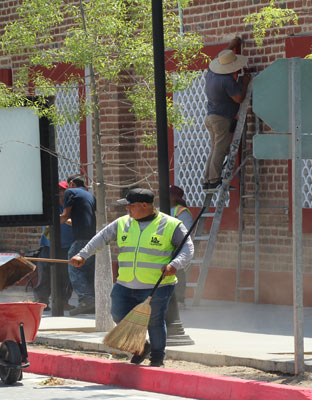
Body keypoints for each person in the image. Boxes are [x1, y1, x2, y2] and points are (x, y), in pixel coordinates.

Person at [69, 188, 194, 367]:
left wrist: (175, 264)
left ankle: (157, 358)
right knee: (118, 314)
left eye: (131, 206)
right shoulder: (122, 223)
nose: (128, 210)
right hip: (125, 284)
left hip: (157, 286)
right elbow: (101, 237)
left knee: (155, 321)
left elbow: (188, 248)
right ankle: (142, 347)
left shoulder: (171, 225)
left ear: (145, 205)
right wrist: (83, 255)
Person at [203, 37, 251, 193]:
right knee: (220, 149)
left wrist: (234, 43)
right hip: (222, 119)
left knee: (214, 148)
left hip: (211, 117)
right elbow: (239, 98)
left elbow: (223, 54)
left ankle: (208, 181)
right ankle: (215, 180)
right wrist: (244, 83)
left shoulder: (212, 72)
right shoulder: (226, 80)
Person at [33, 181, 74, 311]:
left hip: (66, 246)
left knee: (65, 275)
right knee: (45, 274)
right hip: (48, 245)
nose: (60, 194)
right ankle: (42, 301)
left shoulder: (71, 207)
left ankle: (63, 301)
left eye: (62, 191)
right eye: (58, 191)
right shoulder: (51, 206)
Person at [59, 174, 96, 315]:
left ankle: (86, 300)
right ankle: (92, 301)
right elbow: (78, 220)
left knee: (74, 266)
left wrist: (54, 222)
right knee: (87, 270)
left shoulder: (71, 192)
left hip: (80, 239)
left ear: (72, 183)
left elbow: (65, 215)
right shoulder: (89, 196)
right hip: (92, 239)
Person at [169, 185, 193, 305]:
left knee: (177, 271)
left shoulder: (182, 212)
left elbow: (186, 232)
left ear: (174, 197)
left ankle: (179, 300)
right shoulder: (160, 209)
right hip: (162, 246)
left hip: (176, 248)